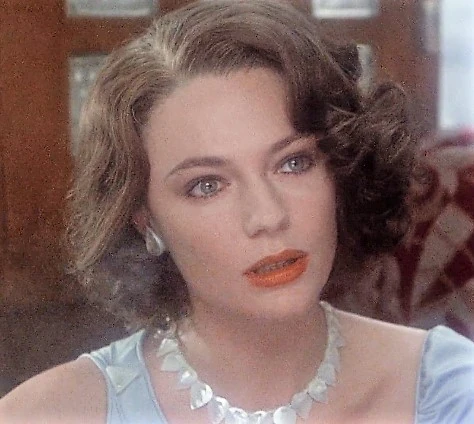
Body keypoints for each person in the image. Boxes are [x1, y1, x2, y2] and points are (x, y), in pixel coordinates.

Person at [1, 1, 473, 423]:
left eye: (293, 163)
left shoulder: (448, 390)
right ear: (144, 220)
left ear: (340, 169)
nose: (267, 216)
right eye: (207, 186)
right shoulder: (50, 413)